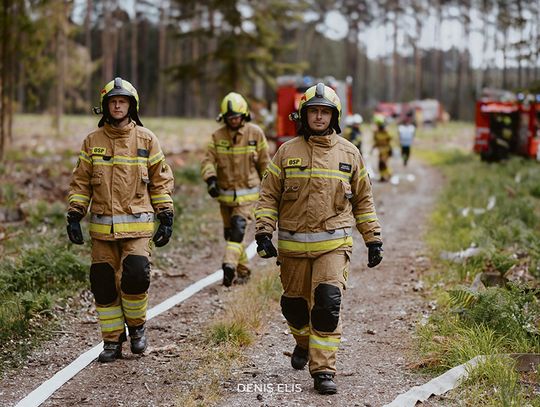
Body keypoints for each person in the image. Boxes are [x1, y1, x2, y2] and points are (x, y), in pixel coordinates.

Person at [254, 83, 383, 395]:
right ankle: (303, 342)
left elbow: (363, 202)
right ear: (304, 115)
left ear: (334, 116)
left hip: (333, 246)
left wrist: (373, 239)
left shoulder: (350, 154)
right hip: (293, 246)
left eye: (325, 112)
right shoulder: (286, 152)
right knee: (295, 307)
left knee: (327, 304)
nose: (319, 117)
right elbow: (269, 196)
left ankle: (323, 370)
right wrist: (263, 232)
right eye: (314, 111)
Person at [66, 77, 175, 363]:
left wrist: (166, 215)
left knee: (136, 276)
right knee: (102, 282)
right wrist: (75, 215)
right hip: (102, 230)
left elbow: (160, 182)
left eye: (122, 101)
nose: (117, 105)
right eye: (113, 101)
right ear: (105, 106)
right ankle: (112, 341)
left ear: (131, 105)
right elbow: (81, 183)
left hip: (138, 227)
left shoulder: (147, 139)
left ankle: (137, 328)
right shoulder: (92, 142)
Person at [201, 92, 270, 286]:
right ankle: (244, 271)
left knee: (238, 230)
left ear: (244, 115)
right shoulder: (217, 136)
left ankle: (228, 265)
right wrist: (211, 179)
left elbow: (265, 164)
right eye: (230, 118)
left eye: (237, 117)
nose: (233, 120)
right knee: (231, 237)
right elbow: (207, 161)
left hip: (248, 198)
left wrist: (270, 190)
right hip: (225, 199)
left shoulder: (255, 134)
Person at [372, 113, 393, 181]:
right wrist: (373, 148)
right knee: (380, 164)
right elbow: (376, 141)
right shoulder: (376, 132)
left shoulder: (386, 132)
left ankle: (388, 174)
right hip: (380, 150)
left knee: (383, 162)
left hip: (386, 150)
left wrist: (390, 149)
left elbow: (390, 139)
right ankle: (382, 177)